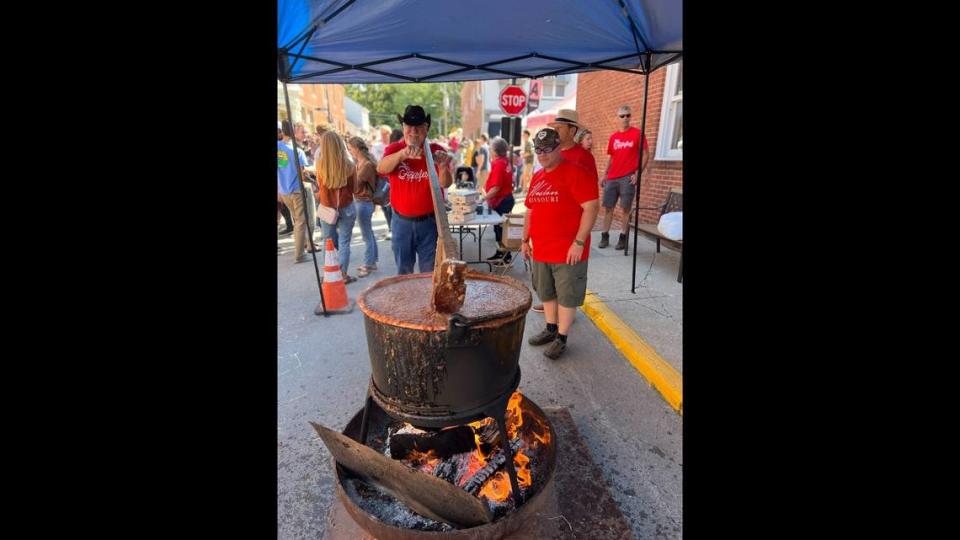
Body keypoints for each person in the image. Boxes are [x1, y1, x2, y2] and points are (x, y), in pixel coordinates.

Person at [521, 128, 599, 359]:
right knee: (546, 292)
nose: (542, 154)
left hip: (568, 251)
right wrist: (525, 239)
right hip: (541, 248)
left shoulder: (576, 172)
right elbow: (530, 210)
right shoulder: (537, 176)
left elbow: (591, 208)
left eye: (547, 149)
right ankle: (550, 328)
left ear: (558, 148)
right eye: (538, 150)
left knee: (566, 295)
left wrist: (579, 242)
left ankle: (562, 337)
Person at [530, 109, 597, 313]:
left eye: (559, 128)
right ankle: (553, 307)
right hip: (548, 237)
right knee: (548, 282)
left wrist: (578, 239)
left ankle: (564, 317)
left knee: (567, 283)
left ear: (572, 130)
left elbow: (590, 200)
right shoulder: (551, 153)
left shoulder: (583, 157)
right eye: (554, 128)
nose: (555, 131)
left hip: (570, 234)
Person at [377, 105, 453, 274]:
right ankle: (406, 300)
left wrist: (442, 166)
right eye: (409, 126)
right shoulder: (394, 149)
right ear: (403, 128)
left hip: (429, 222)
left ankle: (426, 300)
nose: (413, 131)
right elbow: (381, 168)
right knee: (404, 271)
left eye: (418, 127)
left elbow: (446, 183)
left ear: (426, 129)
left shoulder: (436, 151)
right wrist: (402, 155)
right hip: (401, 222)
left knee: (429, 272)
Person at [598, 105, 649, 250]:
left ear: (630, 116)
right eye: (622, 116)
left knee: (626, 208)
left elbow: (646, 154)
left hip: (628, 177)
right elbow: (611, 157)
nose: (625, 118)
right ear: (618, 117)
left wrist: (638, 173)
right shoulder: (614, 137)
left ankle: (622, 238)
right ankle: (605, 236)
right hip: (612, 177)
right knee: (608, 208)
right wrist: (605, 174)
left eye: (628, 115)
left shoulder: (638, 134)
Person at [314, 131, 359, 283]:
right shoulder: (350, 164)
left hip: (327, 208)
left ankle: (329, 275)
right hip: (346, 206)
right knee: (345, 242)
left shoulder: (320, 164)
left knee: (328, 242)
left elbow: (321, 187)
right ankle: (343, 275)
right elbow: (355, 188)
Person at [277, 120, 317, 263]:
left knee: (297, 221)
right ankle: (300, 255)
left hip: (284, 191)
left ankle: (306, 244)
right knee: (301, 222)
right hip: (296, 190)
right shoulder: (297, 150)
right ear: (293, 132)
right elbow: (302, 174)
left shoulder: (279, 147)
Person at [347, 136, 381, 278]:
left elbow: (356, 183)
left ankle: (368, 264)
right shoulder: (361, 162)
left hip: (364, 202)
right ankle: (372, 261)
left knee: (366, 235)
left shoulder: (366, 164)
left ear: (356, 148)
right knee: (369, 233)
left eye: (350, 149)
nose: (350, 152)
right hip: (363, 201)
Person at [481, 137, 516, 263]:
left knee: (501, 229)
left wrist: (482, 199)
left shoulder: (499, 164)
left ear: (495, 151)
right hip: (505, 199)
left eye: (491, 148)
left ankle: (505, 257)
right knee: (499, 228)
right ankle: (500, 254)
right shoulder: (504, 161)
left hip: (502, 200)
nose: (489, 150)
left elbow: (496, 187)